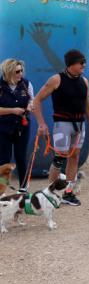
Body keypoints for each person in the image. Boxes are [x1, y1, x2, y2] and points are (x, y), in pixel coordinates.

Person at [33, 50, 89, 206]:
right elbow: (37, 100)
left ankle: (68, 193)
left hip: (80, 125)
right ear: (71, 64)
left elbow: (88, 105)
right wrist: (41, 124)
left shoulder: (84, 81)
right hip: (62, 125)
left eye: (85, 62)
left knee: (75, 156)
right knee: (59, 158)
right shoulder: (56, 79)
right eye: (81, 62)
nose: (84, 65)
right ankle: (50, 194)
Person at [0, 58, 34, 193]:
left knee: (21, 157)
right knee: (4, 160)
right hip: (3, 128)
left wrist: (31, 105)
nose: (21, 74)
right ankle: (1, 191)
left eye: (21, 71)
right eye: (17, 71)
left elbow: (32, 99)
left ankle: (24, 188)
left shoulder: (26, 84)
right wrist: (13, 110)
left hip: (22, 127)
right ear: (8, 73)